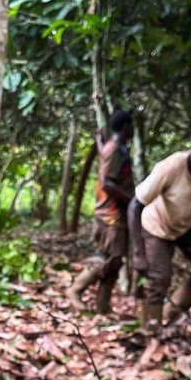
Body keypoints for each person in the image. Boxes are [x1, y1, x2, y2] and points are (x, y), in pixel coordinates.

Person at [128, 117, 191, 335]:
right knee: (160, 278)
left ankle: (171, 310)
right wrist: (138, 253)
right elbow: (135, 206)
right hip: (157, 225)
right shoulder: (172, 166)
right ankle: (150, 331)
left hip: (188, 225)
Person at [67, 109, 135, 315]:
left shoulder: (117, 149)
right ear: (125, 126)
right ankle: (75, 290)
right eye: (131, 125)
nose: (133, 129)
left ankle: (103, 307)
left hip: (118, 214)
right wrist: (131, 200)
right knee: (109, 258)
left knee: (116, 261)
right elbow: (106, 183)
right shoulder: (113, 150)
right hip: (110, 214)